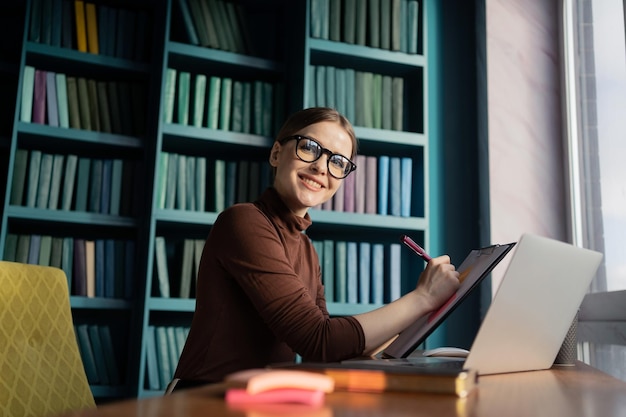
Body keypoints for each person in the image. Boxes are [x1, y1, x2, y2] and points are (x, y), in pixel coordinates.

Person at [170, 107, 460, 391]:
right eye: (309, 147)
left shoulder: (307, 249)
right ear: (275, 154)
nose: (322, 166)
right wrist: (423, 298)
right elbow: (318, 341)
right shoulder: (244, 221)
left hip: (262, 401)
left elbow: (323, 353)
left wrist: (418, 314)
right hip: (205, 399)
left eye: (338, 162)